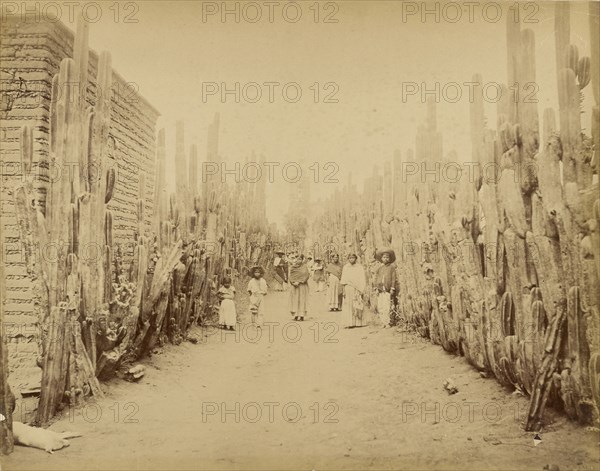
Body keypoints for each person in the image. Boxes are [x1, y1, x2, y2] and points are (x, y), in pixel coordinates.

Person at [340, 253, 366, 328]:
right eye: (350, 258)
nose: (351, 259)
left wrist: (361, 289)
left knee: (357, 305)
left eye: (353, 258)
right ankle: (349, 323)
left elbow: (362, 279)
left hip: (357, 289)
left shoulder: (359, 267)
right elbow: (343, 279)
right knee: (348, 305)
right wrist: (344, 290)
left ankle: (358, 323)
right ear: (348, 259)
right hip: (348, 288)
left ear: (356, 259)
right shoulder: (346, 267)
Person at [374, 248, 398, 328]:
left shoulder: (391, 268)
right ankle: (383, 322)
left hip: (387, 289)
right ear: (381, 259)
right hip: (381, 289)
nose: (386, 259)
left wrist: (392, 288)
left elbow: (394, 278)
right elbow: (377, 278)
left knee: (387, 306)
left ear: (390, 259)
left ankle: (388, 322)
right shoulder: (380, 268)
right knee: (380, 306)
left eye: (387, 257)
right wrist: (377, 288)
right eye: (384, 257)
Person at [288, 254, 310, 321]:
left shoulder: (304, 267)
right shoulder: (292, 267)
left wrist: (300, 281)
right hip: (294, 286)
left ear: (302, 260)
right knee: (295, 300)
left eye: (300, 259)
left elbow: (306, 276)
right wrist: (293, 282)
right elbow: (290, 276)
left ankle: (301, 315)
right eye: (297, 259)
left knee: (302, 299)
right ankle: (296, 315)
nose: (298, 260)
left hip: (302, 286)